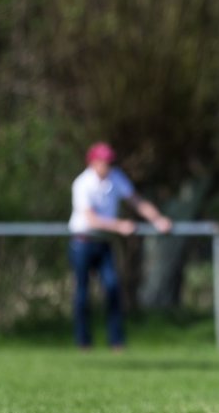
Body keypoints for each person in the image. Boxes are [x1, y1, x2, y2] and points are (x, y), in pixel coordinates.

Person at [68, 142, 172, 351]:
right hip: (82, 242)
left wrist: (158, 219)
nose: (107, 165)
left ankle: (116, 342)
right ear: (93, 162)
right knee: (82, 294)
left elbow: (136, 202)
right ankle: (83, 342)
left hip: (104, 242)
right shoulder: (82, 183)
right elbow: (90, 218)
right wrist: (119, 226)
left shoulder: (116, 178)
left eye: (109, 161)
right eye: (103, 161)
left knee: (113, 288)